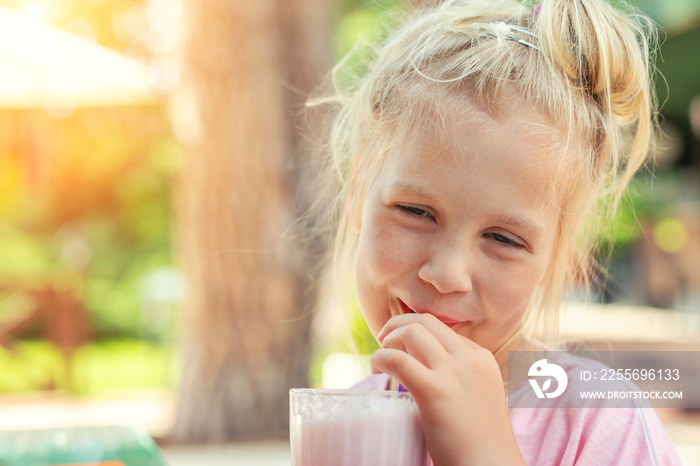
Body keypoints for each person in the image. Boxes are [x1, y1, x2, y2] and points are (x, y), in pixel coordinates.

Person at [315, 0, 682, 464]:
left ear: (558, 259)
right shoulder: (343, 421)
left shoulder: (599, 420)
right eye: (414, 210)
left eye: (503, 239)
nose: (447, 274)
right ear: (356, 196)